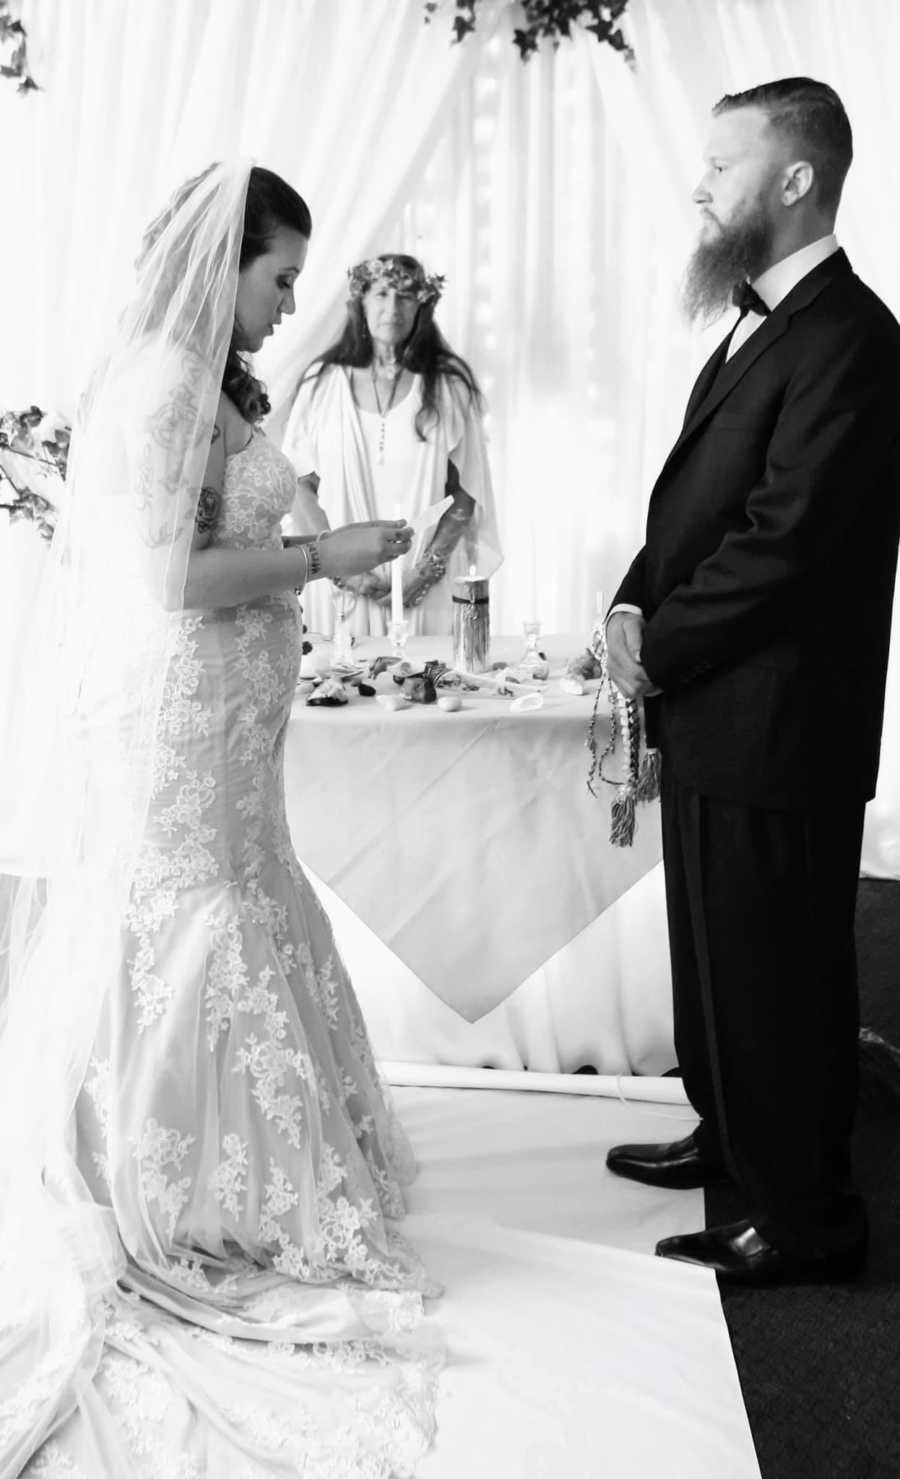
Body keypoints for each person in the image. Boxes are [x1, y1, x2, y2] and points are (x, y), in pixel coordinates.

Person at [0, 164, 442, 1476]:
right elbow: (164, 575)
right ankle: (190, 1174)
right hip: (186, 716)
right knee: (204, 910)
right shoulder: (159, 386)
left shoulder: (196, 382)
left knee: (245, 893)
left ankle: (244, 1149)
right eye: (280, 278)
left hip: (233, 717)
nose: (290, 305)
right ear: (219, 262)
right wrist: (327, 556)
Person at [604, 78, 900, 1284]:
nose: (700, 186)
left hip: (783, 724)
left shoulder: (854, 338)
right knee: (720, 956)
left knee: (780, 972)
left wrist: (655, 646)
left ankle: (807, 1219)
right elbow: (695, 508)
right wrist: (633, 596)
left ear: (793, 180)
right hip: (723, 712)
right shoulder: (766, 319)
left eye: (721, 166)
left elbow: (783, 542)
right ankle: (735, 1141)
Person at [282, 253, 502, 638]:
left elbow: (465, 491)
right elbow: (299, 485)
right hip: (340, 584)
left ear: (422, 304)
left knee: (427, 687)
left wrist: (425, 571)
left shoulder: (448, 386)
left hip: (424, 584)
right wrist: (340, 565)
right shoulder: (321, 383)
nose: (392, 308)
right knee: (339, 691)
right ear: (361, 301)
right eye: (381, 294)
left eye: (405, 296)